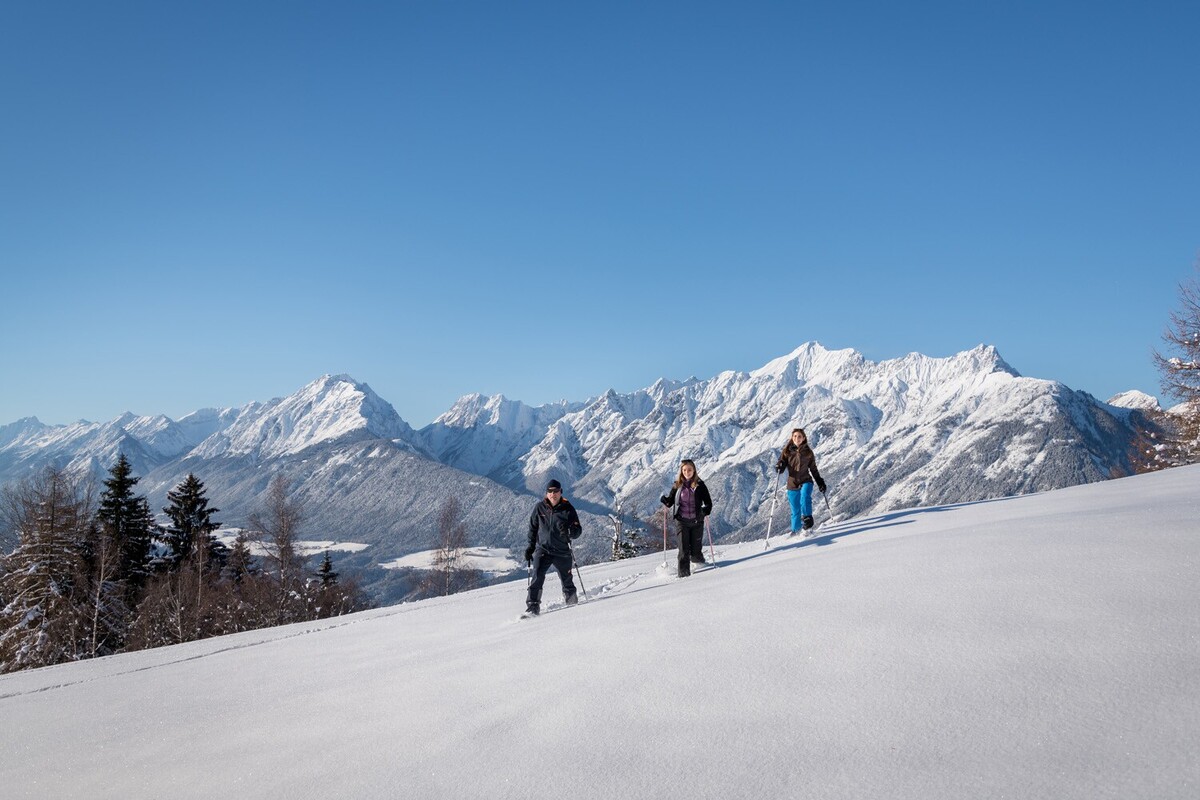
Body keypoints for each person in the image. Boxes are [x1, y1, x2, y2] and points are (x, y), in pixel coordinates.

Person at [524, 479, 583, 615]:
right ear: (546, 493)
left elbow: (578, 530)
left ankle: (572, 604)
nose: (553, 494)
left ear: (560, 492)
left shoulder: (568, 509)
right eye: (550, 491)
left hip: (562, 551)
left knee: (567, 580)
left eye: (556, 491)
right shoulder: (540, 508)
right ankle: (533, 606)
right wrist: (530, 548)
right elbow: (533, 528)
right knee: (537, 576)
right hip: (543, 549)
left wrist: (569, 532)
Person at [660, 459, 714, 577]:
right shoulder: (677, 485)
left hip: (697, 521)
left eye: (689, 470)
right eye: (684, 470)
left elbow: (708, 503)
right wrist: (665, 500)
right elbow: (670, 502)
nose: (686, 472)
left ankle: (700, 565)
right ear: (681, 471)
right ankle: (683, 577)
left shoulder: (700, 485)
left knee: (695, 551)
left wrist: (705, 510)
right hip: (682, 521)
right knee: (684, 551)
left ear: (694, 470)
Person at [775, 428, 827, 534]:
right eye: (794, 436)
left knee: (804, 496)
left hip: (806, 480)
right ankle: (796, 532)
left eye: (799, 436)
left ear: (803, 438)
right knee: (795, 511)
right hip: (792, 483)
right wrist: (779, 467)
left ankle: (807, 518)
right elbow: (782, 465)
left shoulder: (808, 452)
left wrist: (820, 482)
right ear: (792, 438)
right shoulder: (787, 452)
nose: (797, 438)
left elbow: (813, 469)